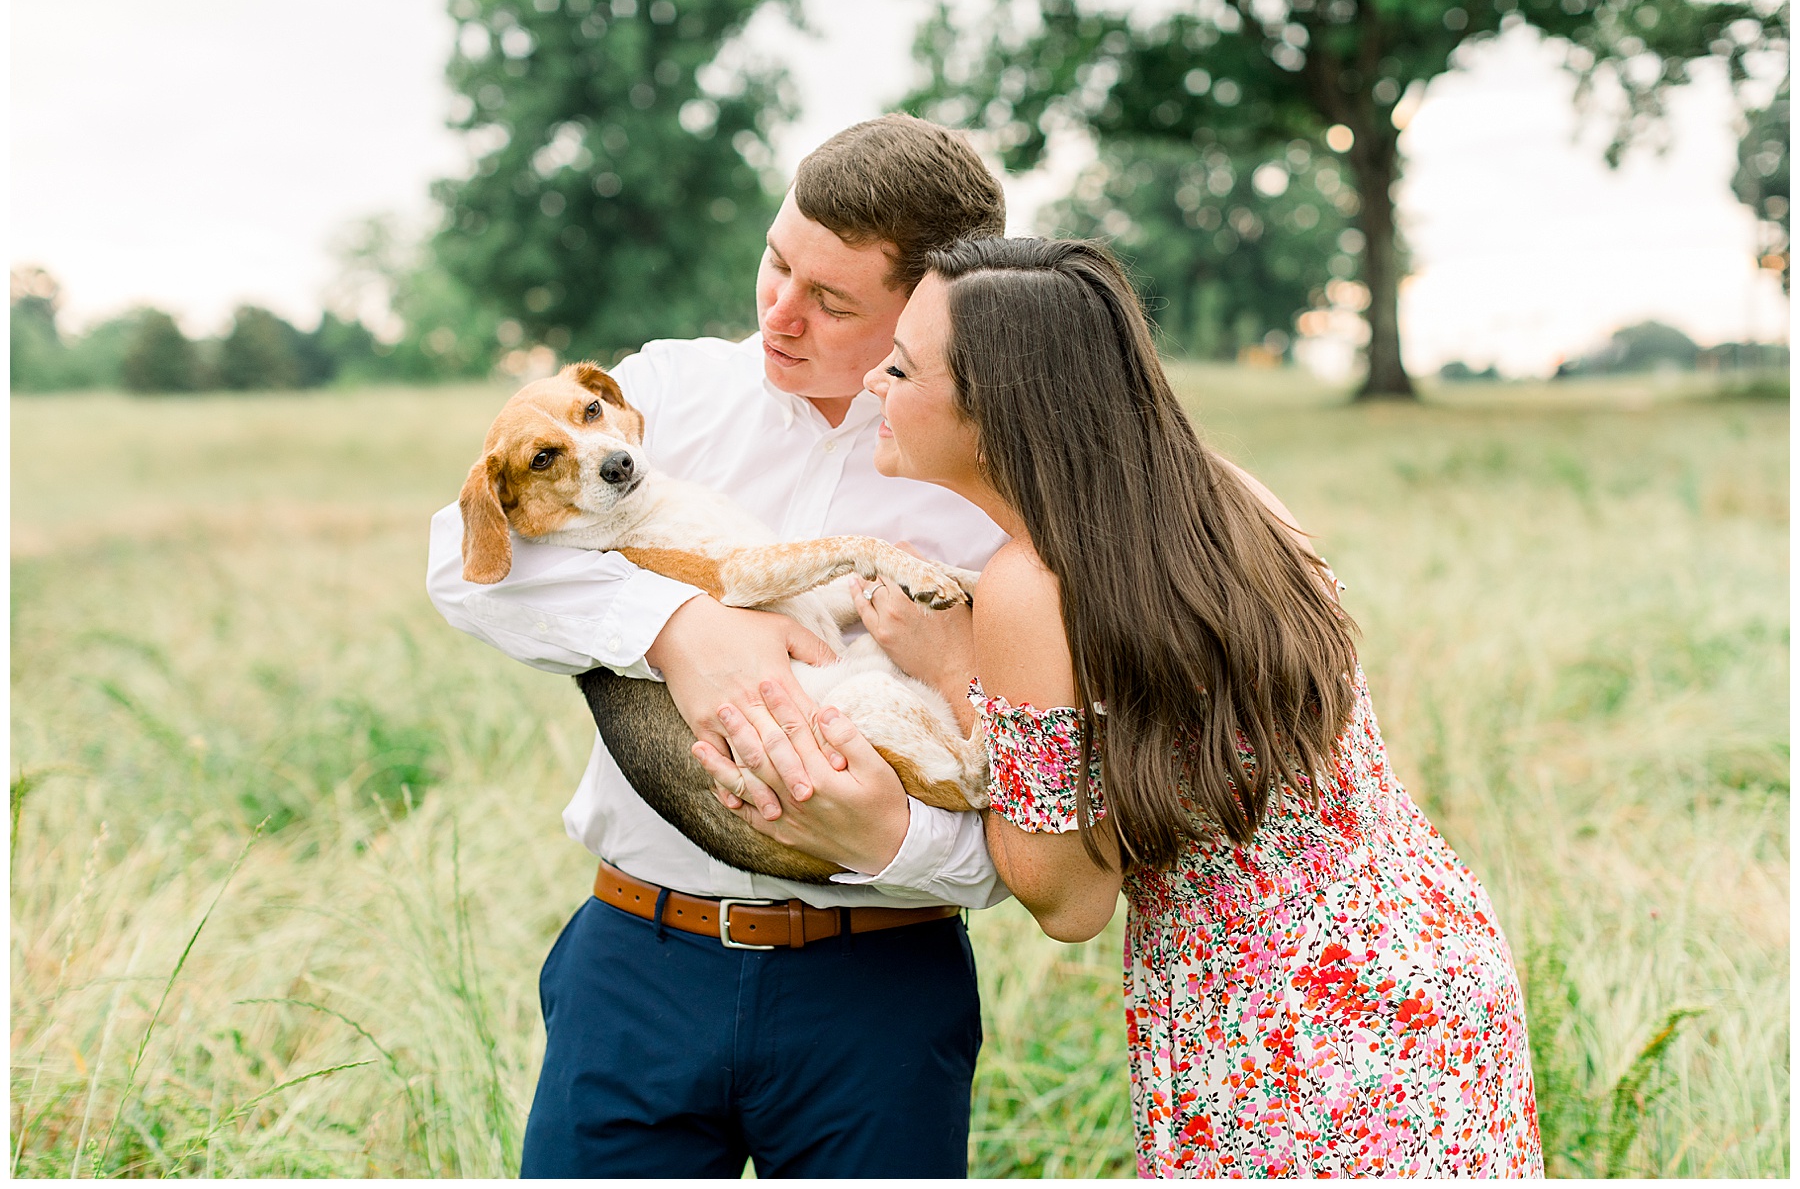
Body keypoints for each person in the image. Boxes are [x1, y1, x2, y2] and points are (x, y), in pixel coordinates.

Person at [697, 238, 1546, 1177]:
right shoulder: (1228, 499)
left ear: (992, 409)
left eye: (900, 367)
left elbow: (1068, 896)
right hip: (1429, 963)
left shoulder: (1032, 584)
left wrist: (951, 672)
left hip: (1274, 1020)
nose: (873, 388)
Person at [425, 115, 1013, 1178]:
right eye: (777, 260)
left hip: (878, 987)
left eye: (831, 301)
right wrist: (681, 629)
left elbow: (1041, 825)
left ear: (930, 310)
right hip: (636, 956)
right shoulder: (667, 393)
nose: (779, 313)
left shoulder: (998, 494)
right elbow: (456, 560)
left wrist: (891, 841)